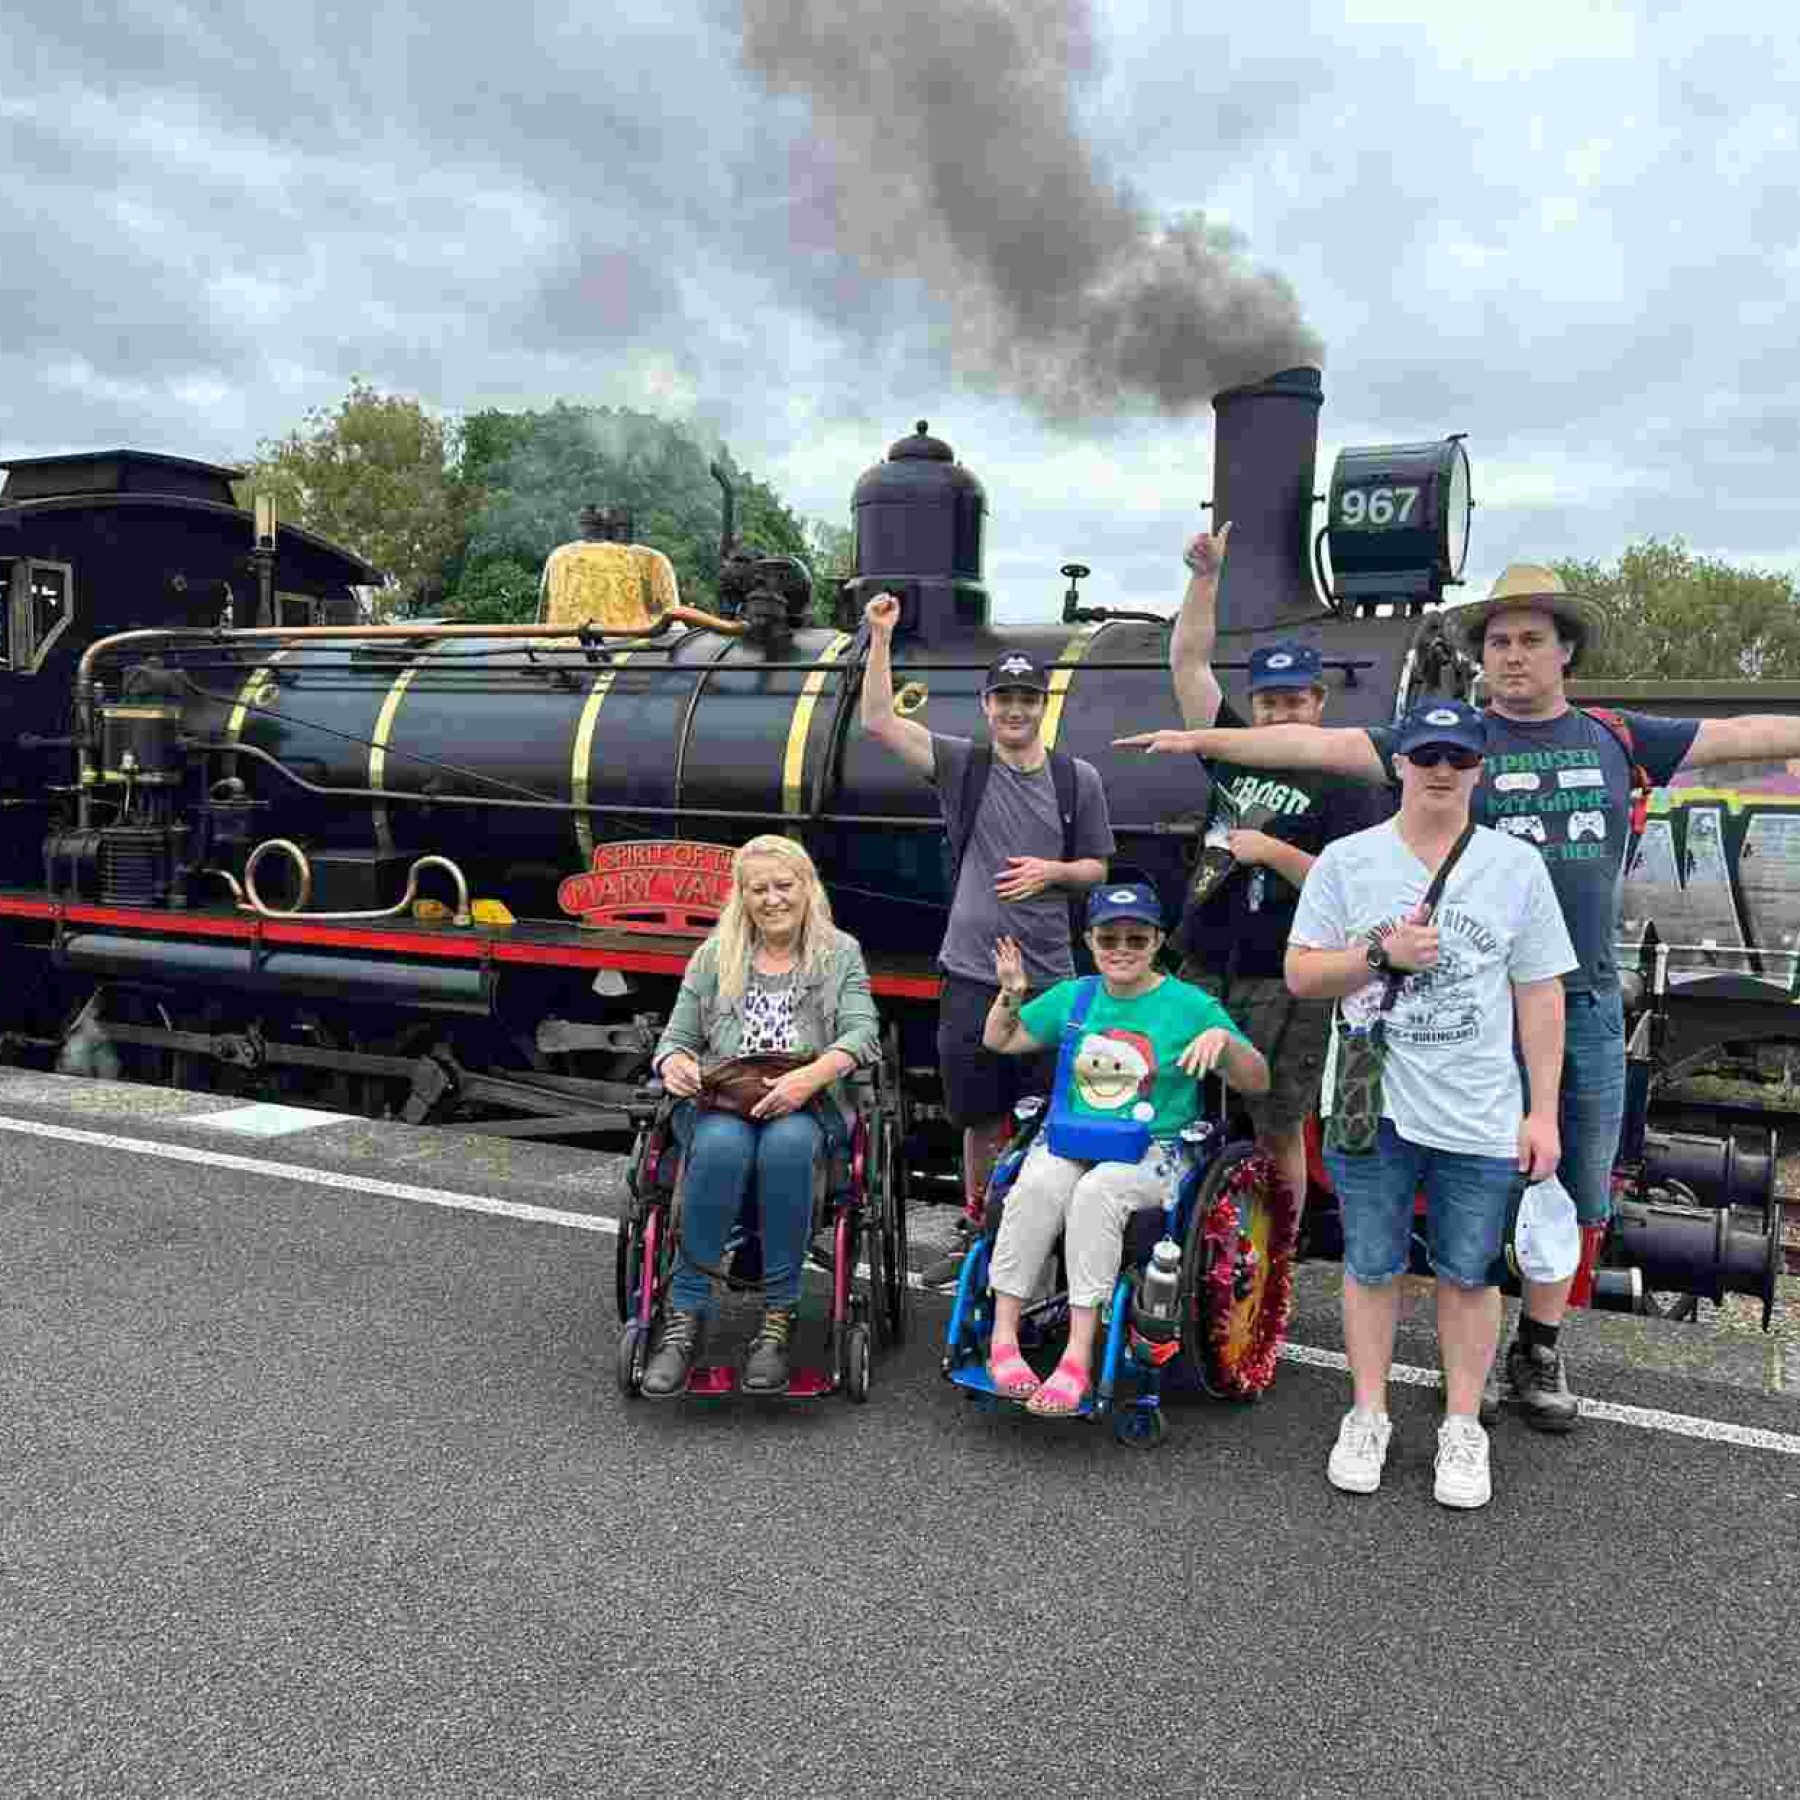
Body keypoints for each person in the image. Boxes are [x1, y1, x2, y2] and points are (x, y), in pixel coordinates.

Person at [1119, 561, 1800, 1429]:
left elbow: (1742, 734)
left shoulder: (1617, 736)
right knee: (1460, 1190)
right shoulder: (1456, 735)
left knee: (1569, 1184)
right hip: (1465, 1002)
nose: (1514, 656)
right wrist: (1203, 742)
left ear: (1565, 653)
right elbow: (1315, 746)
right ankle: (1453, 1363)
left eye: (1532, 641)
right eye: (1500, 642)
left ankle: (1539, 1347)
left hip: (1574, 996)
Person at [1286, 698, 1575, 1509]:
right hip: (1368, 1104)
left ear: (1480, 768)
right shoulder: (1347, 862)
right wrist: (1381, 954)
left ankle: (1461, 1425)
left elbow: (1541, 992)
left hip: (1479, 1108)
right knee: (1371, 1264)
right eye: (1425, 755)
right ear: (1399, 765)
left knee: (1469, 1273)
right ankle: (1368, 1410)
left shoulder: (1516, 866)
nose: (1441, 770)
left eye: (1457, 756)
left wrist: (1543, 1111)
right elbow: (1302, 975)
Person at [859, 593, 1115, 1283]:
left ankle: (1048, 1244)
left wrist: (1053, 872)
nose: (1015, 710)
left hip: (1052, 979)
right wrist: (880, 635)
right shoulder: (963, 766)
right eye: (1004, 698)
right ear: (987, 705)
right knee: (979, 1115)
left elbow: (1097, 867)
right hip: (972, 972)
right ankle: (980, 1226)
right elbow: (878, 719)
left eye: (1026, 699)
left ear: (1042, 706)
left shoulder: (1076, 779)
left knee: (1051, 1119)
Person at [981, 881, 1270, 1416]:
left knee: (1097, 1192)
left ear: (1157, 940)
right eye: (1108, 938)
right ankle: (1003, 1340)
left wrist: (1227, 1046)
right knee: (1037, 1185)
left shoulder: (1189, 1005)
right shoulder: (1077, 995)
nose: (1121, 949)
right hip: (1072, 1136)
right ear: (1089, 940)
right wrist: (1012, 992)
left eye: (1135, 939)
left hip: (1155, 1149)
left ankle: (1076, 1356)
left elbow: (1258, 1080)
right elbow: (1001, 1040)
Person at [1166, 521, 1381, 1218]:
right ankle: (1191, 1225)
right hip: (1205, 966)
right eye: (1268, 703)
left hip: (1288, 979)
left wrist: (1274, 853)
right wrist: (1205, 580)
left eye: (1294, 702)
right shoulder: (1232, 752)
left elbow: (1354, 890)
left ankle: (1281, 1240)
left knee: (1277, 1119)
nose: (1280, 713)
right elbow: (1188, 667)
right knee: (1184, 1100)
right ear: (1253, 707)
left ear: (1318, 705)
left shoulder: (1351, 782)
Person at [643, 835, 880, 1398]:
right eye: (759, 889)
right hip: (724, 1097)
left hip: (805, 1100)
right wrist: (675, 1062)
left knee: (788, 1147)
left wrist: (809, 1078)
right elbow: (676, 1039)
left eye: (784, 885)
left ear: (807, 888)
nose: (773, 898)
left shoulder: (839, 952)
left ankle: (778, 1319)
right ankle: (684, 1317)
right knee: (722, 1148)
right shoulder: (714, 954)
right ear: (741, 897)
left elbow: (862, 1031)